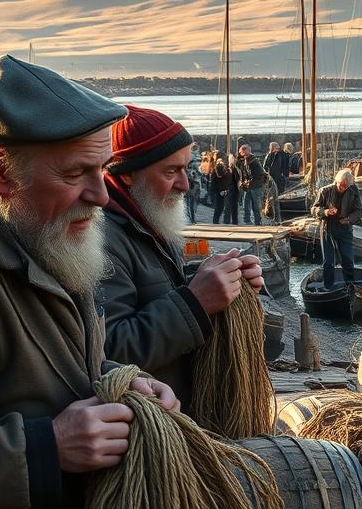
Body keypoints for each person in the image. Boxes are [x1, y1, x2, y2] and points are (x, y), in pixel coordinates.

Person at [0, 55, 177, 509]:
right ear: (1, 172)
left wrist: (122, 378)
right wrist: (48, 447)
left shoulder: (35, 232)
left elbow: (48, 357)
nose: (101, 194)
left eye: (103, 169)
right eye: (76, 174)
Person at [100, 106, 264, 408]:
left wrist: (220, 279)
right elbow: (108, 348)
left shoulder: (147, 217)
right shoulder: (101, 239)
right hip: (149, 425)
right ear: (127, 176)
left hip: (179, 412)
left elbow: (156, 288)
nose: (186, 185)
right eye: (170, 171)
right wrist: (197, 301)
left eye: (186, 168)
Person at [311, 168, 362, 289]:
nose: (343, 188)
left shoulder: (353, 190)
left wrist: (349, 219)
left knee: (348, 260)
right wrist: (325, 212)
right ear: (336, 181)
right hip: (327, 227)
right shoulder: (325, 191)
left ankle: (350, 287)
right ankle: (328, 287)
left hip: (345, 227)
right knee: (328, 262)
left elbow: (359, 211)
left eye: (346, 186)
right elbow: (314, 209)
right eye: (341, 185)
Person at [237, 143, 267, 225]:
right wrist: (243, 182)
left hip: (256, 187)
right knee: (246, 205)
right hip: (248, 187)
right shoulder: (245, 161)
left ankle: (258, 222)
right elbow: (244, 174)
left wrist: (249, 182)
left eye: (241, 152)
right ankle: (247, 220)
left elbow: (260, 175)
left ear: (245, 151)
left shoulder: (254, 162)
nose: (240, 153)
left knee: (256, 206)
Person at [209, 150, 232, 223]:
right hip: (221, 189)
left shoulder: (216, 168)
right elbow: (217, 179)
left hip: (222, 189)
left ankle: (218, 221)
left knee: (221, 207)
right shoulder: (219, 168)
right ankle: (219, 221)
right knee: (221, 207)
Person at [185, 143, 201, 224]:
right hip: (195, 182)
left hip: (190, 181)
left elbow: (187, 169)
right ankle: (192, 218)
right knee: (193, 200)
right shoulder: (198, 157)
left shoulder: (188, 156)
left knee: (188, 201)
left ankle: (190, 218)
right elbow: (199, 171)